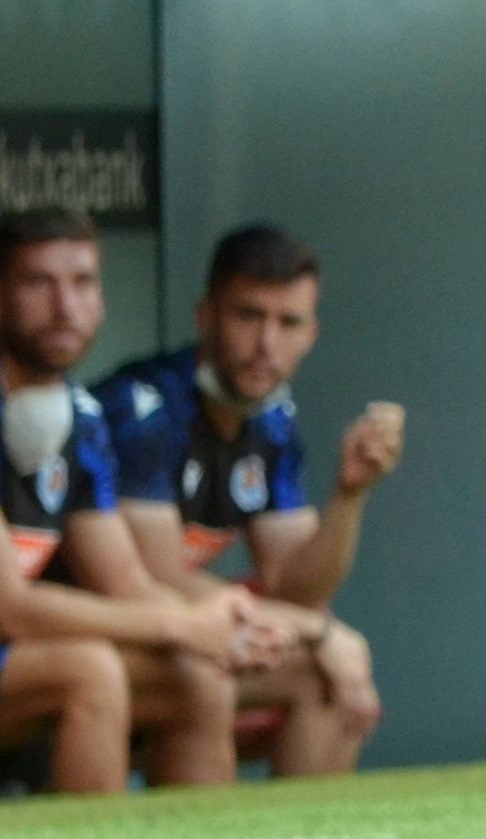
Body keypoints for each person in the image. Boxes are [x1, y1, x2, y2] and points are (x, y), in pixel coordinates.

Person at [0, 214, 267, 795]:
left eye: (83, 283)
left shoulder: (80, 411)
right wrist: (178, 623)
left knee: (201, 679)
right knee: (89, 669)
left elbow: (123, 578)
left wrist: (219, 626)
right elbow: (5, 607)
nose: (65, 306)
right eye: (39, 284)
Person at [104, 224, 393, 774]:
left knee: (322, 674)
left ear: (311, 333)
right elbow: (160, 577)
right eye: (248, 316)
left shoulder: (273, 420)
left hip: (174, 632)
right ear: (205, 315)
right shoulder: (143, 409)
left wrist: (349, 494)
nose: (267, 345)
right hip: (101, 630)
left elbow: (296, 583)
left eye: (288, 323)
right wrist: (322, 632)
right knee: (246, 663)